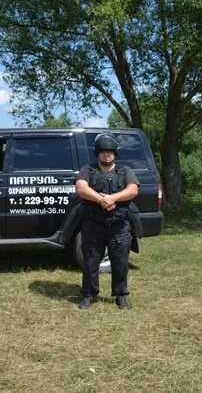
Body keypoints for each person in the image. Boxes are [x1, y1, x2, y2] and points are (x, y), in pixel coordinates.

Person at [75, 133, 139, 310]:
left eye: (110, 152)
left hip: (118, 226)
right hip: (93, 225)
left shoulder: (125, 171)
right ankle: (89, 294)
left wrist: (113, 198)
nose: (106, 155)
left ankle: (120, 296)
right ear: (98, 154)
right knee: (90, 262)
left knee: (120, 263)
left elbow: (133, 190)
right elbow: (81, 188)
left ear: (115, 154)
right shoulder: (87, 170)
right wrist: (100, 199)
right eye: (103, 152)